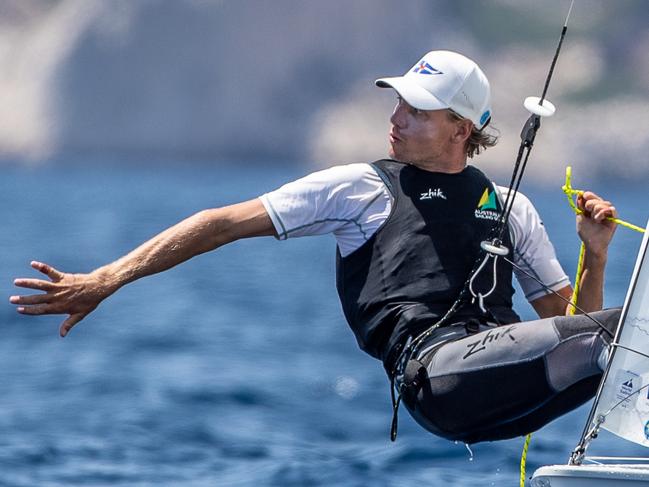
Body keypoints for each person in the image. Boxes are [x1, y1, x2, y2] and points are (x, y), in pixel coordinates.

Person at [10, 50, 619, 444]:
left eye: (419, 110)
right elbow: (218, 222)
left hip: (510, 395)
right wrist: (105, 280)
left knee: (617, 337)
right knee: (624, 329)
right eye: (398, 102)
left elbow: (573, 329)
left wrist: (595, 253)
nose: (397, 117)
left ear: (462, 128)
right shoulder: (358, 188)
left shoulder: (512, 208)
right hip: (439, 381)